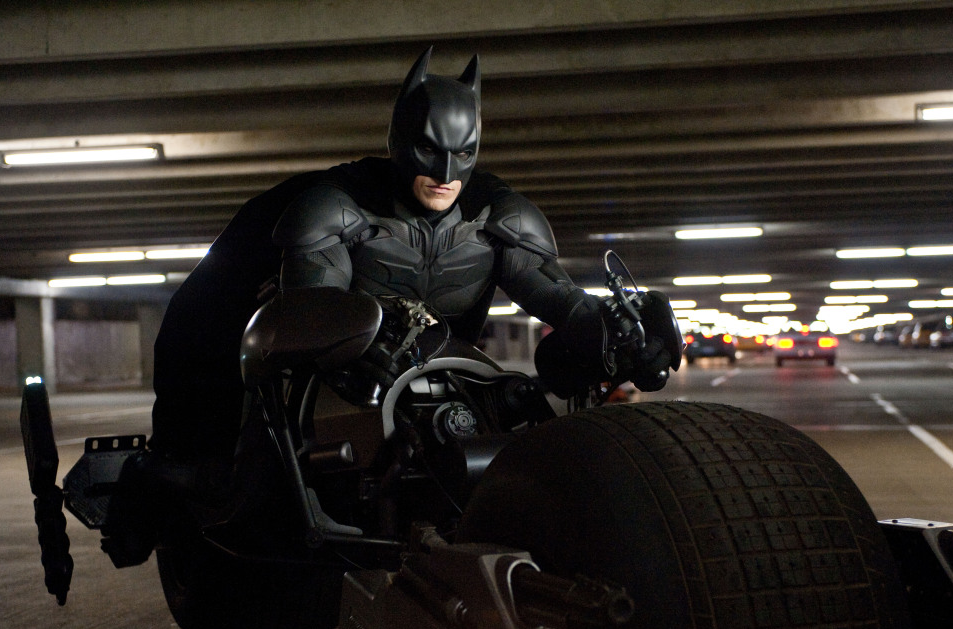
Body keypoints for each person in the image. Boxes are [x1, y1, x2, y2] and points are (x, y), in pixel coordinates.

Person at [149, 47, 678, 462]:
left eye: (462, 156)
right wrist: (348, 343)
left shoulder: (500, 218)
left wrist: (621, 332)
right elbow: (311, 307)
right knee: (255, 471)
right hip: (340, 382)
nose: (447, 174)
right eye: (430, 152)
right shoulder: (335, 207)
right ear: (401, 142)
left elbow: (559, 297)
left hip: (447, 379)